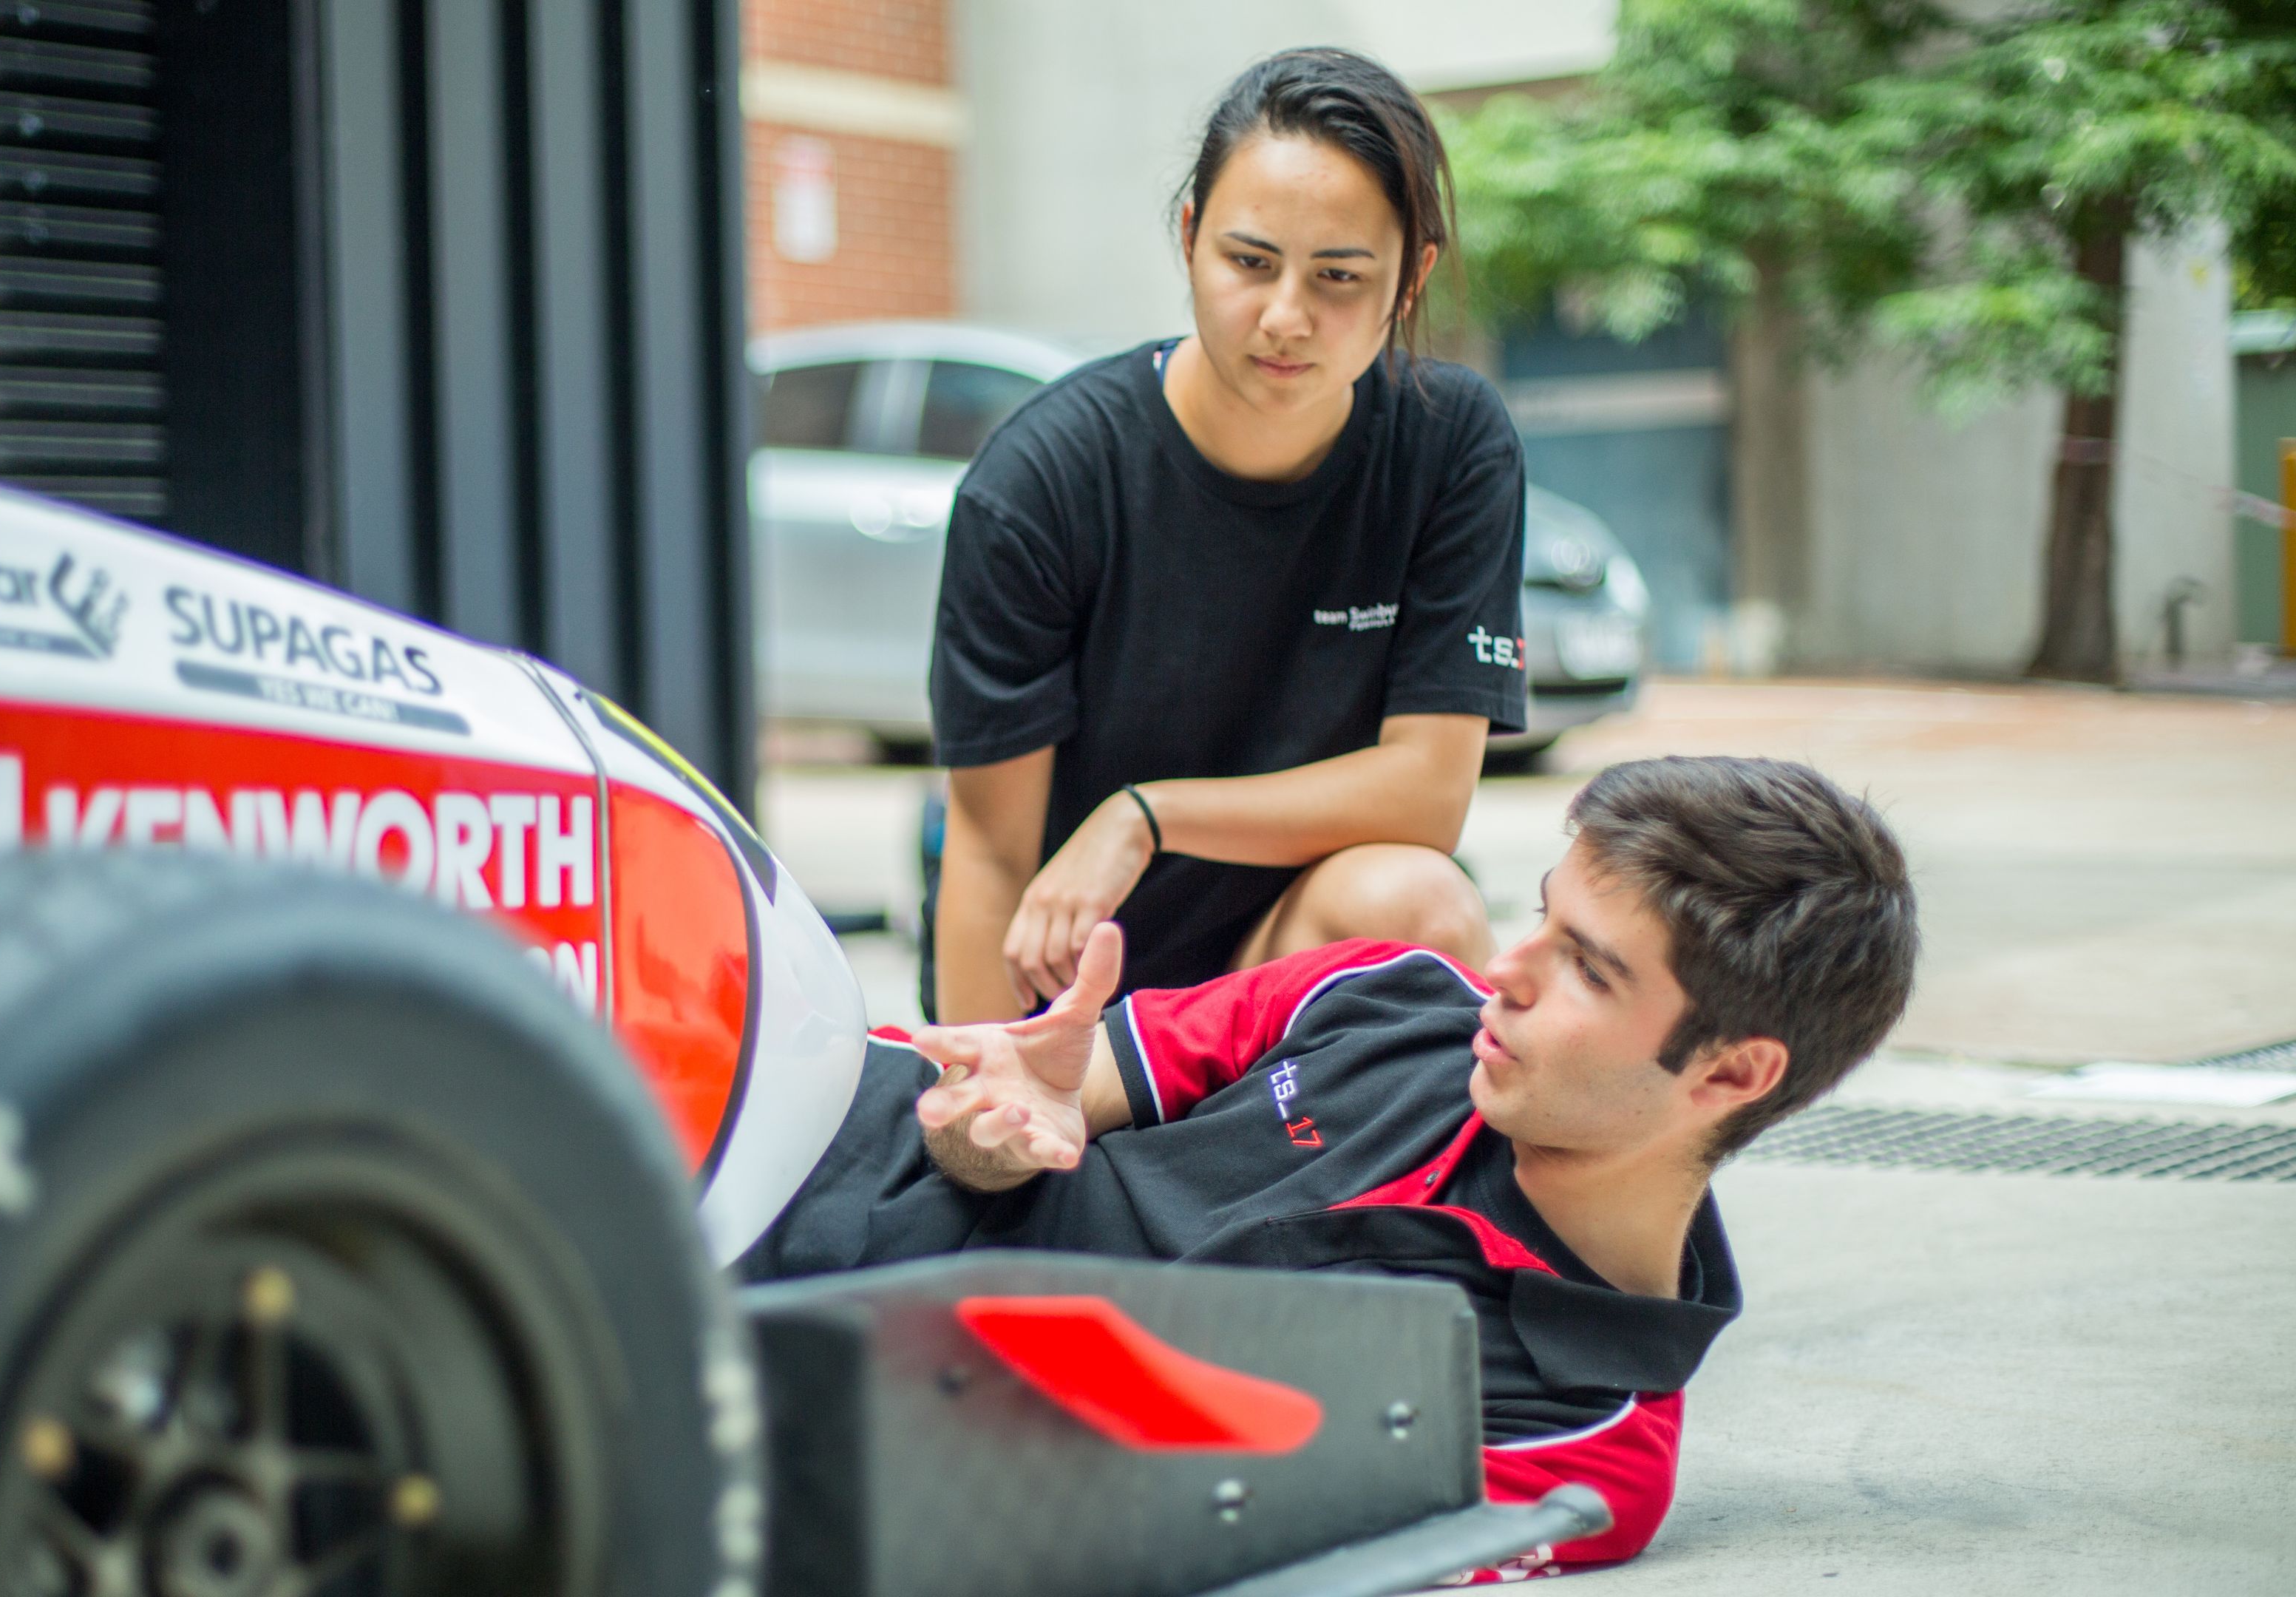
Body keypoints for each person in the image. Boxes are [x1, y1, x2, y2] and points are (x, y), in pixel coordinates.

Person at [745, 756, 1920, 1579]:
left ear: (1729, 1074)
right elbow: (1011, 1099)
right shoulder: (1391, 997)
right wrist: (990, 1126)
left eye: (1587, 970)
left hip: (811, 1391)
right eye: (1540, 920)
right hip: (798, 1124)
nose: (1507, 971)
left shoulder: (1580, 1441)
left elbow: (1120, 1520)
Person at [928, 47, 1526, 1025]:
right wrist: (987, 1117)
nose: (1286, 318)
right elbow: (990, 850)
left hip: (1280, 971)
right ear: (1190, 235)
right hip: (1082, 1001)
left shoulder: (1449, 444)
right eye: (1250, 263)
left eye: (1338, 275)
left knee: (1424, 905)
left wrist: (1148, 815)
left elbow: (1429, 793)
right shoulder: (1042, 481)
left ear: (1410, 279)